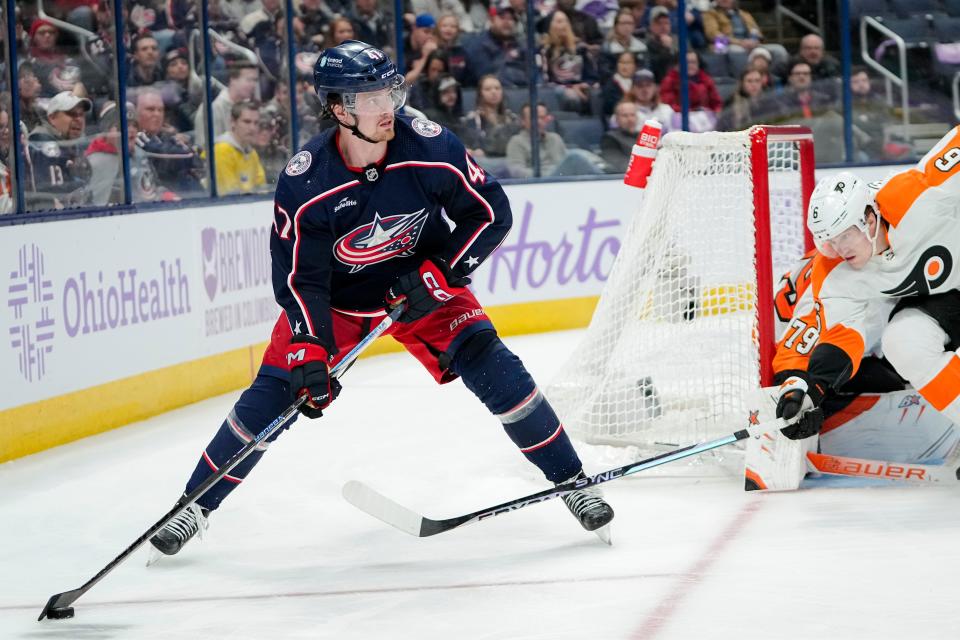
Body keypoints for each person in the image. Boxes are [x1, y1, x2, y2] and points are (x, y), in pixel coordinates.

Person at [148, 40, 614, 558]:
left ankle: (573, 481)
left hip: (424, 286)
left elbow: (492, 214)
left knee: (497, 366)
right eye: (370, 98)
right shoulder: (307, 183)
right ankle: (194, 506)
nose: (387, 106)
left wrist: (442, 275)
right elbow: (302, 282)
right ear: (339, 109)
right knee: (276, 393)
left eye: (389, 91)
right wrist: (309, 350)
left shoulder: (431, 147)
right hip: (339, 306)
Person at [773, 150, 960, 451]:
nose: (838, 247)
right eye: (829, 240)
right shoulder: (834, 272)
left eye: (845, 235)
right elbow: (841, 337)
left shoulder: (913, 195)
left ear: (870, 218)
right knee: (903, 341)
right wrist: (812, 389)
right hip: (948, 296)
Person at [26, 91, 93, 210]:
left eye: (81, 114)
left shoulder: (74, 145)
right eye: (72, 114)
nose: (78, 119)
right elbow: (50, 192)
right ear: (52, 117)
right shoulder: (42, 143)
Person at [506, 102, 605, 177]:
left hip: (562, 181)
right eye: (534, 118)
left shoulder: (555, 138)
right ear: (523, 121)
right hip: (539, 182)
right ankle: (606, 181)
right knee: (575, 158)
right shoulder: (516, 141)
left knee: (578, 157)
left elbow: (563, 163)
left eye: (542, 117)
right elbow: (516, 170)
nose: (539, 122)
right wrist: (545, 174)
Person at [540, 10, 599, 114]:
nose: (564, 25)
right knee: (570, 97)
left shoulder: (580, 49)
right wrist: (569, 87)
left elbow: (592, 76)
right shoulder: (544, 51)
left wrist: (585, 84)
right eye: (559, 21)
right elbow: (545, 80)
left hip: (580, 88)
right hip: (558, 90)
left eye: (566, 21)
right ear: (550, 26)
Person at [194, 61, 259, 150]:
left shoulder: (252, 108)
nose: (253, 85)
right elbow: (207, 149)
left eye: (255, 80)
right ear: (233, 80)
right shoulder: (211, 109)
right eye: (249, 80)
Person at [464, 1, 529, 88]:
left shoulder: (521, 46)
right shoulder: (478, 45)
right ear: (492, 20)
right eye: (502, 17)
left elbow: (533, 74)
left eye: (511, 19)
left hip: (522, 94)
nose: (507, 22)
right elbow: (486, 77)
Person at [459, 74, 520, 162]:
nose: (493, 92)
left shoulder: (512, 118)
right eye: (488, 89)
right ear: (480, 94)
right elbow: (468, 146)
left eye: (497, 88)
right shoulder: (471, 120)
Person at [214, 100, 267, 195]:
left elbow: (261, 188)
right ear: (233, 122)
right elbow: (230, 193)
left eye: (256, 123)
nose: (252, 128)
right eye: (247, 122)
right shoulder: (221, 149)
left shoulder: (252, 153)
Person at [600, 100, 638, 173]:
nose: (630, 119)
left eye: (632, 115)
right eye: (625, 115)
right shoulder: (609, 138)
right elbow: (619, 165)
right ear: (617, 119)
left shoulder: (644, 137)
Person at [645, 6, 677, 82]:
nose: (663, 27)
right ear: (651, 26)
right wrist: (667, 49)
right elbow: (656, 68)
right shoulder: (646, 43)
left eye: (666, 23)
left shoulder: (679, 41)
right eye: (659, 23)